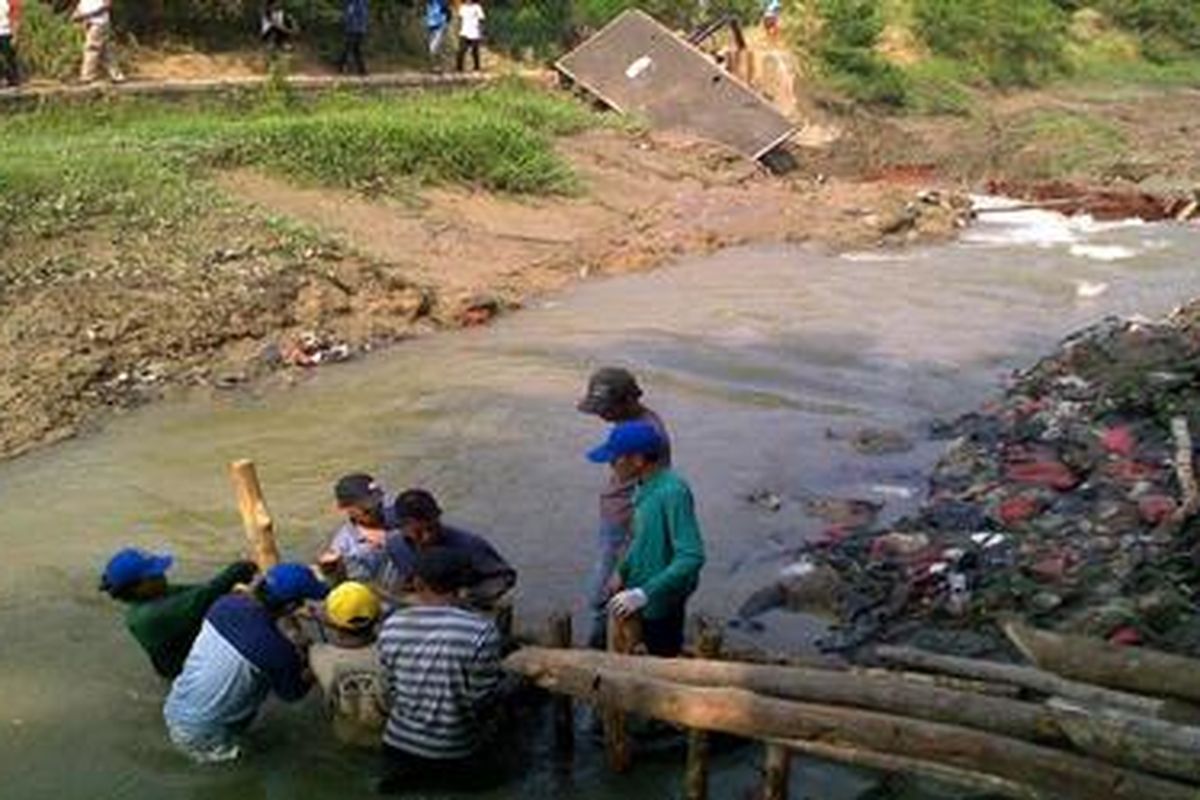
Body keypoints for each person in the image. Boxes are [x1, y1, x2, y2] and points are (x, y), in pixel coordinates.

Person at [163, 563, 329, 763]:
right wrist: (318, 658)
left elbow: (256, 627)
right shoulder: (277, 651)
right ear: (291, 606)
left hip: (176, 708)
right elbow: (294, 694)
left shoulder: (224, 604)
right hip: (205, 737)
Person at [377, 547, 504, 790]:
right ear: (463, 586)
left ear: (417, 583)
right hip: (454, 750)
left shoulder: (391, 625)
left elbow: (389, 688)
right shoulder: (481, 631)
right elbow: (482, 700)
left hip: (398, 745)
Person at [587, 420, 704, 657]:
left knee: (662, 656)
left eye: (615, 459)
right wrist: (622, 569)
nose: (611, 465)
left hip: (662, 600)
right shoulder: (642, 486)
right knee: (630, 647)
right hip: (640, 590)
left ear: (638, 460)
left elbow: (692, 557)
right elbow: (639, 538)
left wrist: (645, 593)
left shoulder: (673, 492)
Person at [577, 367, 671, 648]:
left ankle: (597, 652)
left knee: (602, 595)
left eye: (606, 409)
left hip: (627, 524)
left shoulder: (650, 434)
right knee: (608, 591)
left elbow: (653, 492)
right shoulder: (634, 423)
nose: (601, 415)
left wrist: (634, 543)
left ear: (628, 401)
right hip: (619, 520)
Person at [100, 548, 258, 679]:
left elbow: (201, 591)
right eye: (154, 575)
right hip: (186, 672)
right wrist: (243, 567)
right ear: (138, 587)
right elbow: (206, 594)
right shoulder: (148, 616)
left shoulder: (157, 594)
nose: (162, 576)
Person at [385, 488, 516, 609]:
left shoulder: (469, 545)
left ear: (438, 517)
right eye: (418, 532)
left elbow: (505, 577)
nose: (427, 537)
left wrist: (468, 595)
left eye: (432, 528)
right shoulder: (396, 546)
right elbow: (405, 578)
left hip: (469, 605)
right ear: (401, 527)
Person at [308, 581, 388, 747]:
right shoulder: (391, 652)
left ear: (330, 620)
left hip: (345, 733)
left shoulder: (317, 654)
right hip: (387, 735)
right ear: (378, 616)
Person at [317, 473, 400, 597]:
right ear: (343, 507)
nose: (375, 509)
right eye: (366, 507)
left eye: (377, 502)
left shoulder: (402, 516)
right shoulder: (345, 546)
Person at [73, 0, 124, 84]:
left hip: (98, 22)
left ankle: (87, 75)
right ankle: (116, 75)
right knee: (105, 51)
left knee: (92, 48)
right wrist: (77, 12)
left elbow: (107, 6)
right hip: (89, 22)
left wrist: (86, 15)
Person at [337, 0, 368, 76]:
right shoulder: (350, 3)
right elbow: (348, 14)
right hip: (351, 28)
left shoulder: (360, 2)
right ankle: (361, 70)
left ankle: (342, 68)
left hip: (358, 28)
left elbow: (363, 15)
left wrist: (360, 26)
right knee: (352, 48)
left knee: (352, 48)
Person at [455, 0, 484, 73]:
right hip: (464, 32)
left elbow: (481, 18)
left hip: (474, 32)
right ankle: (459, 68)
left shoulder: (477, 7)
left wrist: (480, 30)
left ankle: (477, 67)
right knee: (461, 50)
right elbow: (460, 19)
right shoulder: (463, 7)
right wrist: (458, 30)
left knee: (474, 51)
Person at [0, 0, 22, 88]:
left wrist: (15, 35)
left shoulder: (12, 1)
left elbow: (16, 17)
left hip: (6, 32)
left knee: (9, 56)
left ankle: (14, 79)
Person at [424, 0, 450, 67]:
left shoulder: (442, 2)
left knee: (434, 46)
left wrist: (446, 23)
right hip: (430, 23)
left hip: (440, 24)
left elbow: (447, 11)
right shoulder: (430, 2)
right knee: (431, 45)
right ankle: (435, 63)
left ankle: (436, 63)